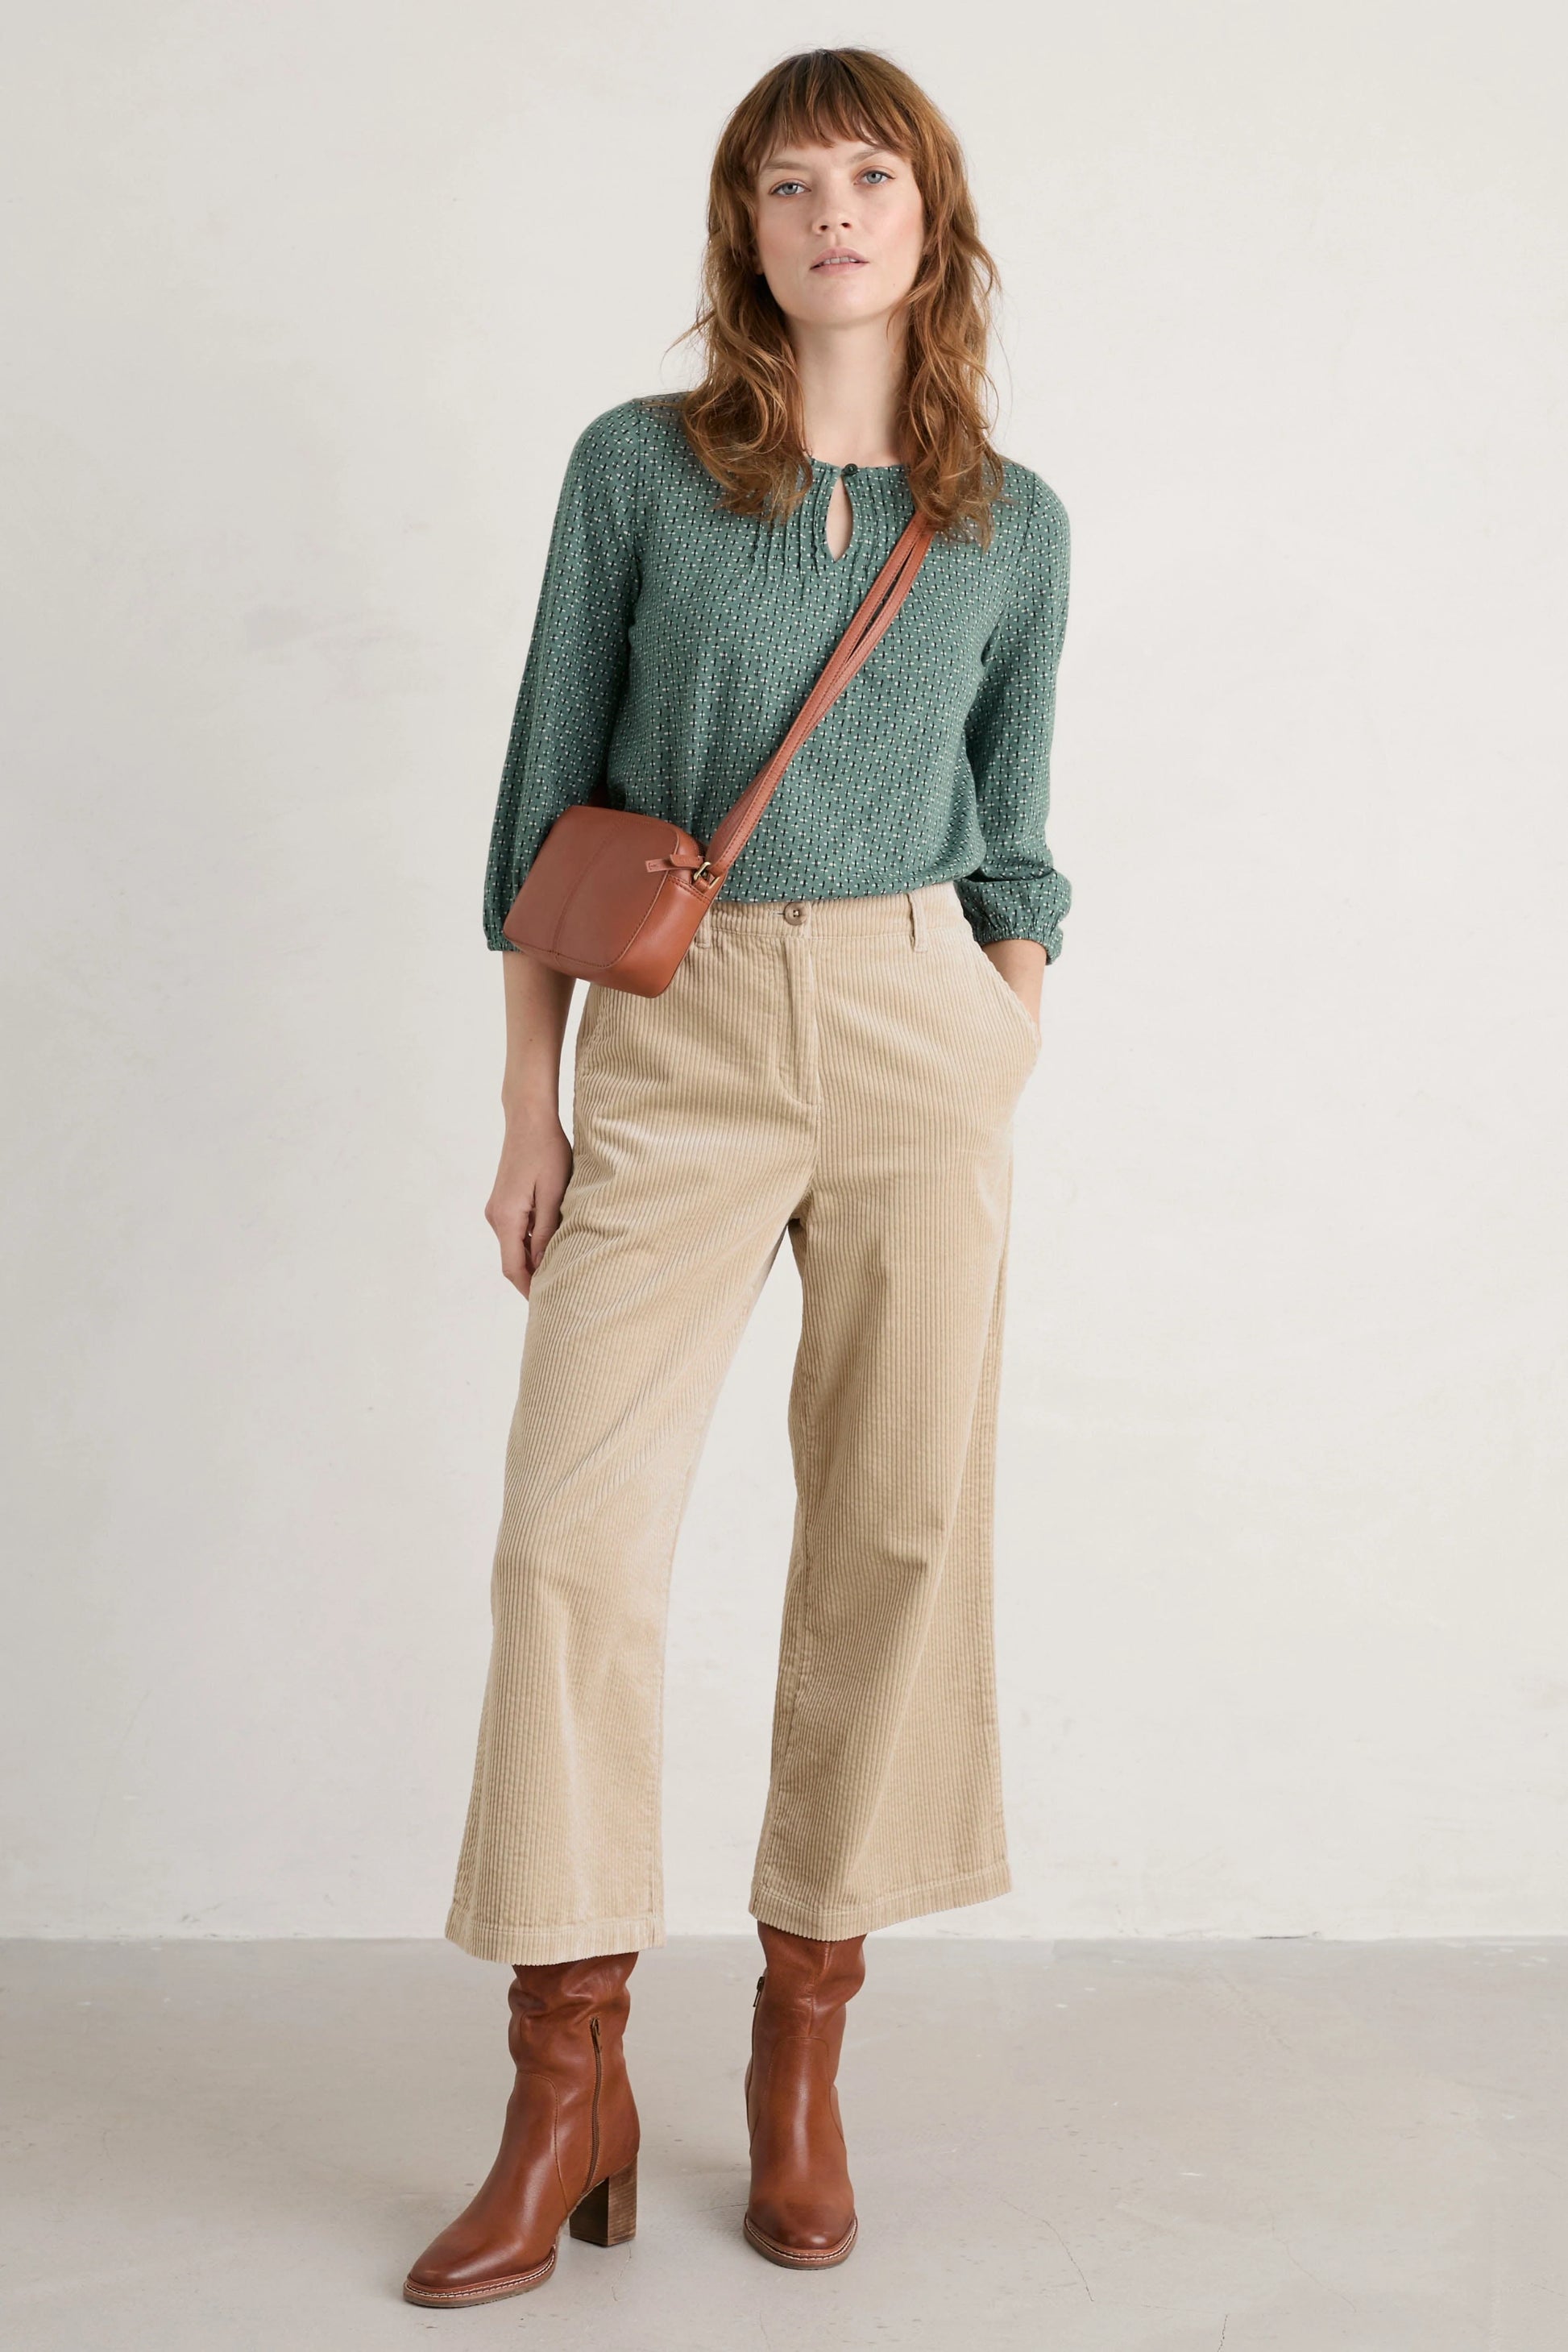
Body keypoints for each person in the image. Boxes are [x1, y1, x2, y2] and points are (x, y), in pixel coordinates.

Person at [402, 44, 1073, 2309]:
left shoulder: (1009, 521)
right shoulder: (641, 470)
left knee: (894, 1529)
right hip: (677, 1046)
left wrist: (997, 1022)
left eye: (868, 175)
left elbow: (1018, 827)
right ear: (744, 227)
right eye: (788, 184)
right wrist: (534, 1108)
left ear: (929, 215)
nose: (830, 215)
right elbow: (544, 810)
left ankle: (803, 2048)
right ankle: (565, 2076)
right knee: (567, 1542)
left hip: (914, 1033)